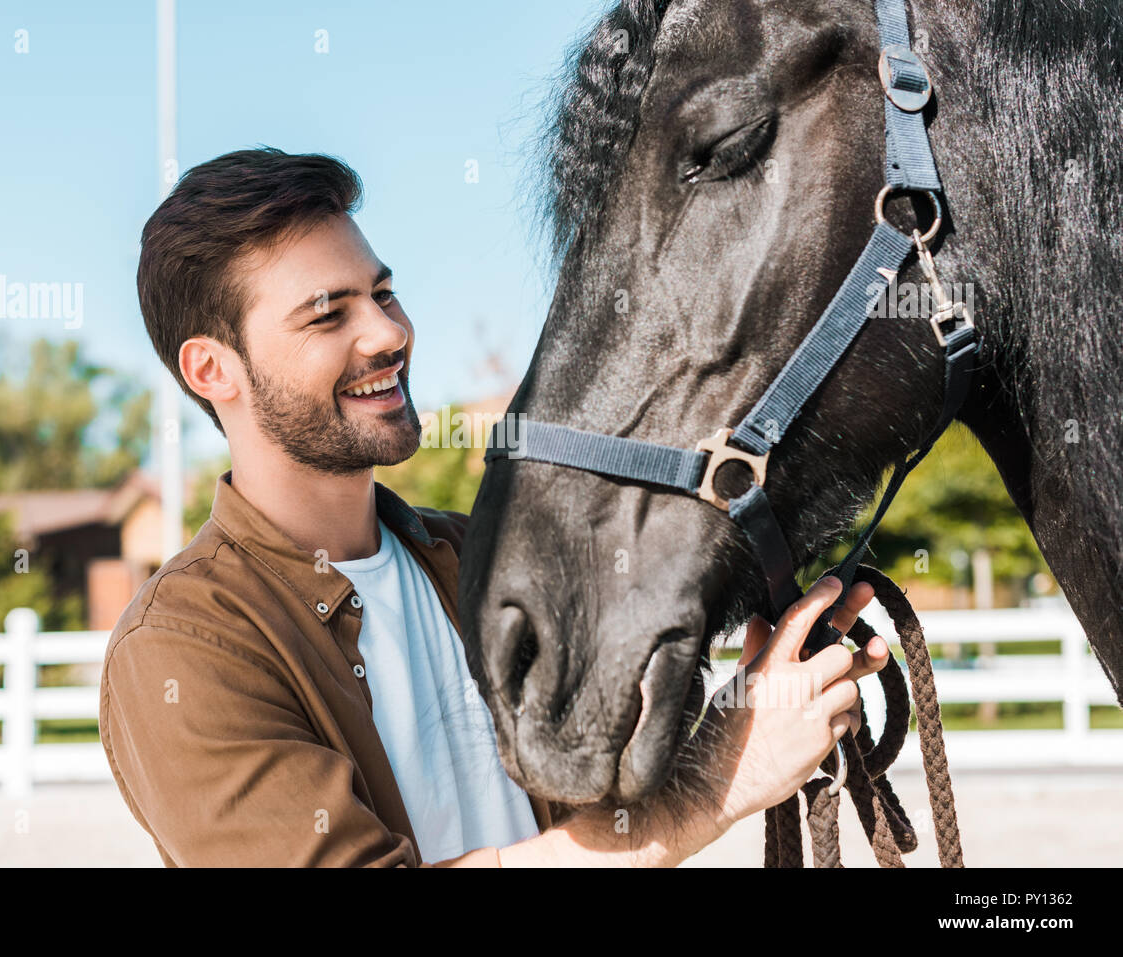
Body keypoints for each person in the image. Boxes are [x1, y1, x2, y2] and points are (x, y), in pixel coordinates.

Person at [98, 147, 890, 867]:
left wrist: (761, 688)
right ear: (212, 370)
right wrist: (723, 779)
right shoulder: (182, 648)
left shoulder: (484, 554)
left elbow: (601, 806)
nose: (388, 332)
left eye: (383, 292)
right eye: (327, 313)